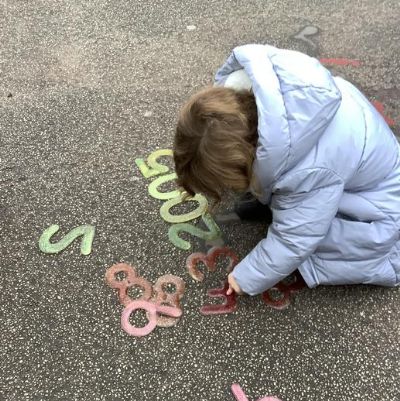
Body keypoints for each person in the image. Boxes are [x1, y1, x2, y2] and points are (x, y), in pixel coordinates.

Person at [173, 44, 400, 296]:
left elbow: (295, 240)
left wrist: (248, 276)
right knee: (290, 199)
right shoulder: (271, 97)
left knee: (316, 235)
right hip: (350, 171)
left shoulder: (309, 170)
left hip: (379, 212)